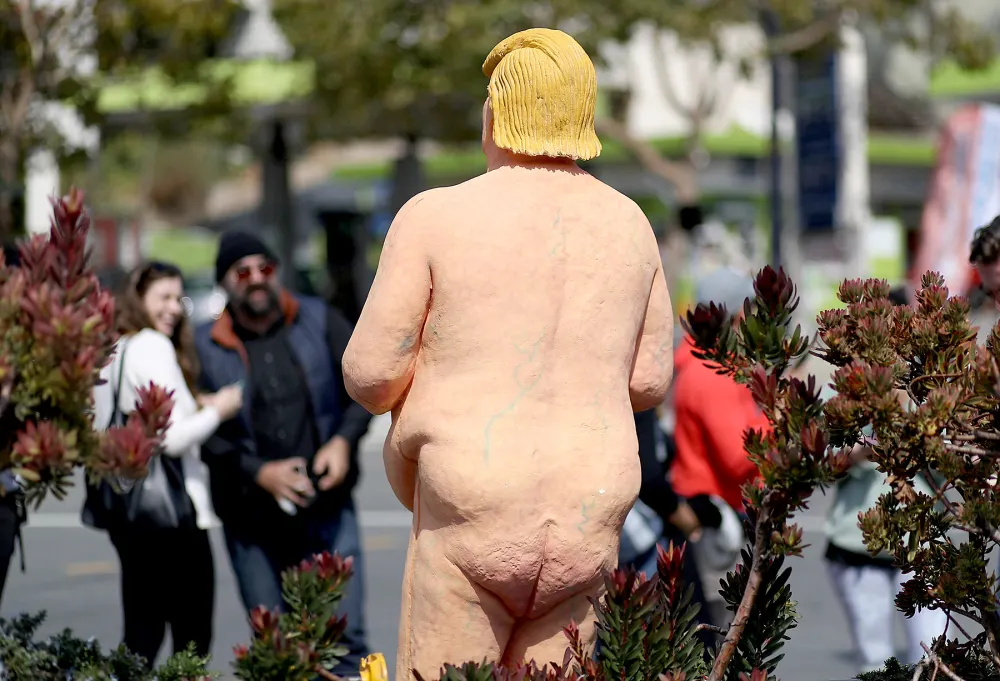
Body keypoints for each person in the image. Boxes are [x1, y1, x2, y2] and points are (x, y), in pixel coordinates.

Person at [343, 28, 674, 680]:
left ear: (494, 116)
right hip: (589, 514)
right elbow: (649, 379)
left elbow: (369, 371)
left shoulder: (435, 216)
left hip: (471, 510)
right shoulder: (631, 224)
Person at [195, 231, 373, 679]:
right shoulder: (203, 345)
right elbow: (200, 429)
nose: (256, 279)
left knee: (345, 640)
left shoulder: (319, 319)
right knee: (276, 651)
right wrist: (259, 473)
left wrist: (343, 442)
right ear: (225, 283)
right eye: (242, 272)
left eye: (265, 268)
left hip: (328, 510)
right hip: (251, 522)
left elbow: (364, 385)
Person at [88, 261, 243, 667]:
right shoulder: (154, 346)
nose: (174, 308)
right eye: (164, 298)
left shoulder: (116, 348)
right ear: (137, 300)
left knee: (141, 631)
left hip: (128, 512)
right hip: (172, 517)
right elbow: (172, 439)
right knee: (190, 641)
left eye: (179, 298)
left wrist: (196, 404)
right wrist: (220, 410)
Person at [823, 286, 947, 673]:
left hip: (921, 537)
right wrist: (863, 450)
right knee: (876, 661)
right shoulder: (849, 385)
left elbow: (951, 454)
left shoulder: (931, 383)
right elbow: (822, 462)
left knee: (933, 656)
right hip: (858, 543)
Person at [671, 267, 767, 627]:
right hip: (721, 520)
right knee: (728, 638)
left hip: (713, 513)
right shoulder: (712, 373)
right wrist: (779, 417)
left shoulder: (700, 363)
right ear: (736, 314)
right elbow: (740, 458)